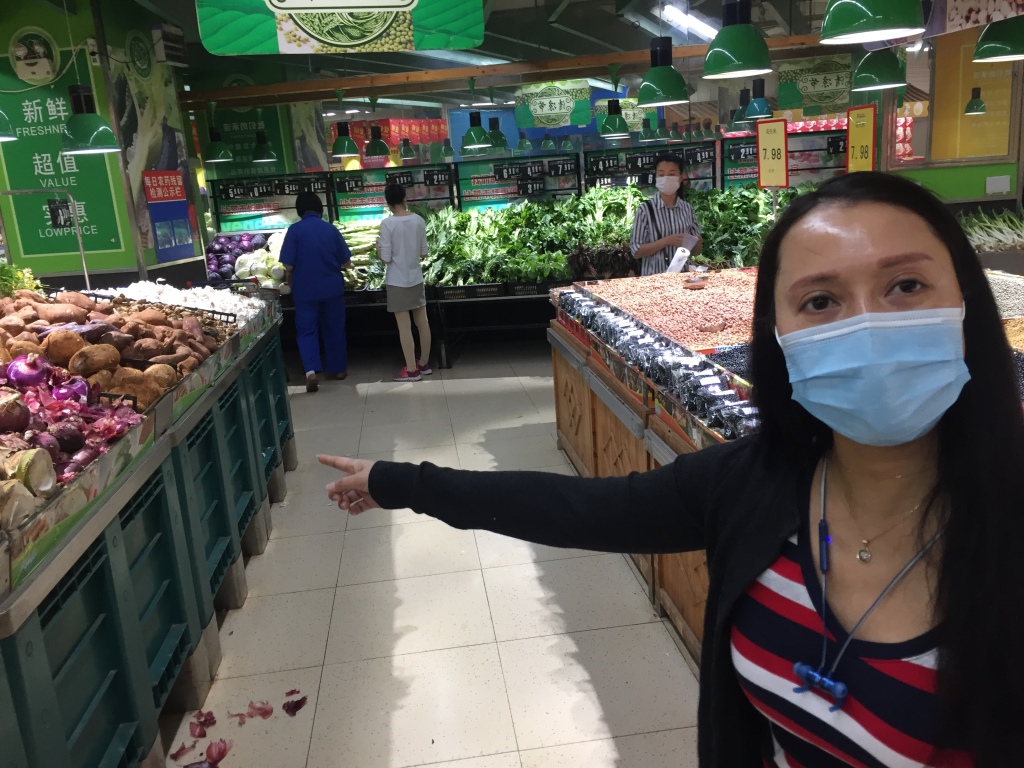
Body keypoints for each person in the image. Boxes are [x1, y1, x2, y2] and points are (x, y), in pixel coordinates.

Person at [317, 172, 1024, 767]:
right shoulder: (752, 484)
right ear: (777, 340)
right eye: (820, 301)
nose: (867, 324)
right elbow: (576, 509)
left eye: (905, 286)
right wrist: (398, 482)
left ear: (967, 303)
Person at [280, 191, 351, 392]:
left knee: (306, 331)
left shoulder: (294, 231)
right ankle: (338, 370)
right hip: (331, 289)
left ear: (299, 210)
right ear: (320, 209)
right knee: (334, 328)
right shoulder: (330, 230)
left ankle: (310, 372)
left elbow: (287, 265)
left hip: (305, 291)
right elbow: (346, 261)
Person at [377, 184, 432, 382]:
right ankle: (424, 364)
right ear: (404, 198)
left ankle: (411, 370)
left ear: (388, 202)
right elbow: (424, 252)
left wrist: (378, 249)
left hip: (397, 281)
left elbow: (386, 257)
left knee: (405, 327)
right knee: (423, 323)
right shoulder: (418, 220)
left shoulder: (387, 224)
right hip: (416, 278)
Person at [630, 152, 703, 276]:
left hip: (683, 276)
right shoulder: (645, 210)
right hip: (654, 278)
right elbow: (636, 250)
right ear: (656, 177)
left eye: (672, 174)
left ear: (680, 178)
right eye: (661, 174)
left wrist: (698, 242)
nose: (666, 178)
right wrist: (666, 241)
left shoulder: (687, 209)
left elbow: (695, 252)